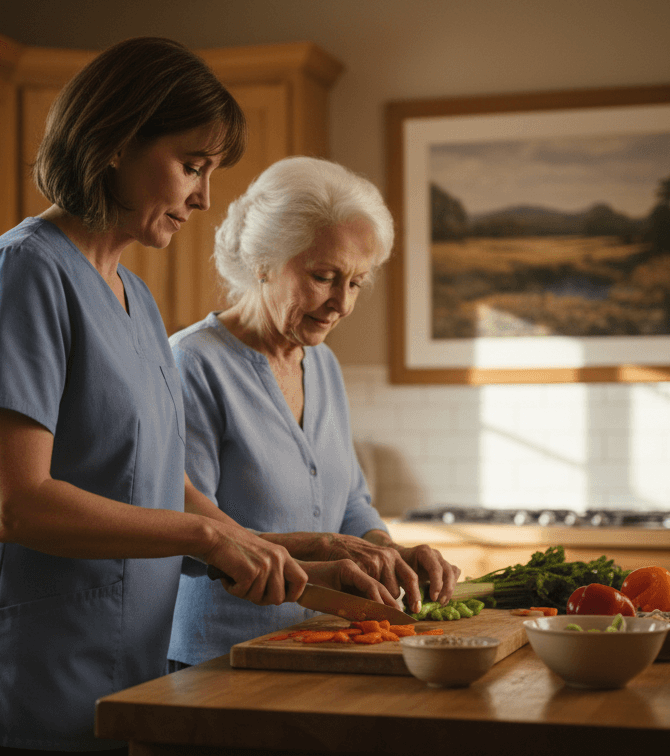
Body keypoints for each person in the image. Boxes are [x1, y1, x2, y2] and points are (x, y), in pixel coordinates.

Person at [0, 41, 396, 755]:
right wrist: (210, 537)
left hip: (119, 688)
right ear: (114, 142)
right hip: (18, 687)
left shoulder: (132, 296)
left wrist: (304, 555)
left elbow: (160, 491)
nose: (202, 198)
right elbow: (15, 503)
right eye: (191, 167)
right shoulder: (22, 274)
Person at [167, 156, 463, 668]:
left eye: (356, 282)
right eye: (324, 276)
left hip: (315, 648)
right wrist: (333, 551)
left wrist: (388, 555)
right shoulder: (192, 364)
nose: (341, 303)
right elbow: (188, 532)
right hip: (220, 659)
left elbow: (350, 500)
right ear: (262, 261)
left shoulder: (322, 364)